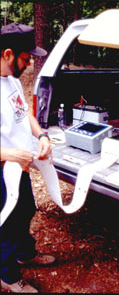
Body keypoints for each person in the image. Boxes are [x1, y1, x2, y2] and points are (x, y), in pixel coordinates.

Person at [0, 23, 55, 293]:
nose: (29, 63)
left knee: (25, 211)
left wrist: (42, 135)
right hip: (3, 171)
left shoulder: (11, 81)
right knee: (7, 226)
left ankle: (25, 253)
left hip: (18, 168)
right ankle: (8, 276)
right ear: (8, 54)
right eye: (25, 58)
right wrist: (10, 154)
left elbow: (25, 115)